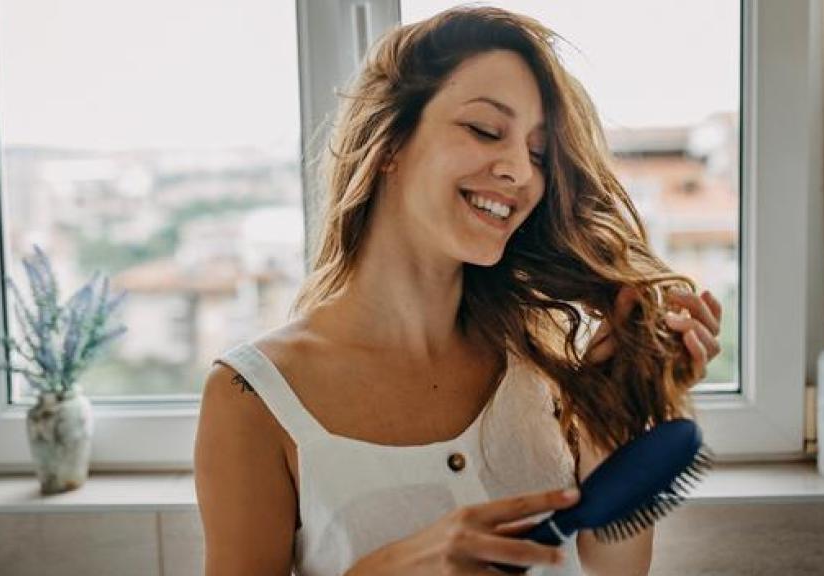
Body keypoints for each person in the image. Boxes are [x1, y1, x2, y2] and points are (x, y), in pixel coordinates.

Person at [194, 6, 722, 575]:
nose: (520, 171)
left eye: (539, 154)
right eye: (485, 130)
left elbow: (612, 571)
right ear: (390, 142)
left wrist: (616, 415)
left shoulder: (550, 362)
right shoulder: (254, 399)